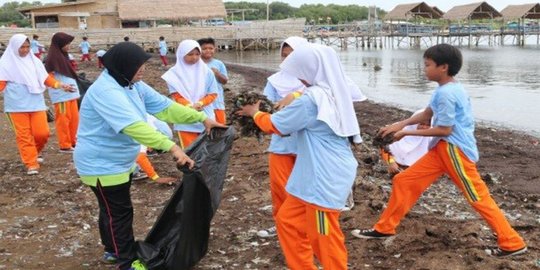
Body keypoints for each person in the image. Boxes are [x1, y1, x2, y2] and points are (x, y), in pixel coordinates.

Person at [352, 44, 527, 257]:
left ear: (443, 67)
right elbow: (426, 115)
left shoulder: (447, 94)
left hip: (455, 151)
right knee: (404, 181)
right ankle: (384, 228)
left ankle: (512, 242)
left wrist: (406, 133)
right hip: (441, 151)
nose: (424, 69)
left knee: (478, 196)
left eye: (427, 65)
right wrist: (400, 125)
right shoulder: (445, 89)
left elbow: (445, 129)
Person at [73, 42, 225, 270]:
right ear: (123, 65)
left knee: (112, 210)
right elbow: (135, 127)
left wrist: (201, 118)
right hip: (101, 164)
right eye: (138, 65)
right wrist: (173, 148)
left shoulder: (131, 84)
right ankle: (125, 261)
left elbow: (164, 107)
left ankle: (112, 250)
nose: (142, 69)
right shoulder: (107, 91)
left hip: (117, 160)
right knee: (119, 213)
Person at [237, 44, 362, 269]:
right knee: (287, 222)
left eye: (301, 73)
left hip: (325, 175)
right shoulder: (334, 89)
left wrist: (254, 112)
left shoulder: (311, 99)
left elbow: (276, 125)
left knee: (324, 236)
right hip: (314, 171)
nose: (300, 79)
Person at [0, 34, 74, 175]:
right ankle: (31, 163)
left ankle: (34, 152)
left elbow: (45, 78)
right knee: (24, 135)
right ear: (14, 47)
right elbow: (1, 83)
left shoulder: (35, 61)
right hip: (16, 107)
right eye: (22, 47)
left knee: (42, 133)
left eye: (27, 47)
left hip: (36, 104)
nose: (25, 50)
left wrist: (60, 85)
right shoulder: (4, 64)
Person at [256, 36, 307, 238]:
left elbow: (326, 97)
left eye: (292, 55)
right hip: (281, 141)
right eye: (284, 56)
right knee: (280, 186)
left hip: (307, 143)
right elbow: (265, 104)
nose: (287, 60)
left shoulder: (317, 80)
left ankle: (302, 225)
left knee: (305, 187)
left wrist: (294, 96)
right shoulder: (275, 80)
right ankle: (281, 225)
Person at [162, 39, 218, 149]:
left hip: (206, 116)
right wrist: (189, 106)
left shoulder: (207, 72)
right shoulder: (173, 74)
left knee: (208, 150)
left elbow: (213, 94)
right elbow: (176, 95)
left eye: (197, 54)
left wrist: (200, 103)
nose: (194, 57)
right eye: (190, 54)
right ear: (182, 54)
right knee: (190, 151)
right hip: (185, 118)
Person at [44, 32, 81, 153]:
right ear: (60, 44)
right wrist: (60, 86)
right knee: (64, 120)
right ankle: (65, 144)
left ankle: (73, 141)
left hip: (71, 93)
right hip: (61, 95)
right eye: (67, 43)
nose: (68, 46)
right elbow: (48, 77)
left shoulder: (64, 56)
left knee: (74, 119)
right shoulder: (52, 58)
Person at [379, 110, 432, 175]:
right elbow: (383, 148)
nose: (424, 127)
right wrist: (391, 162)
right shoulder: (398, 129)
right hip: (391, 163)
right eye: (422, 124)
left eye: (428, 125)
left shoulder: (430, 138)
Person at [133, 114, 177, 184]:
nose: (150, 150)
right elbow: (140, 157)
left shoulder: (152, 123)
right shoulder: (144, 132)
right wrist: (156, 178)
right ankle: (133, 172)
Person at [198, 37, 228, 124]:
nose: (208, 51)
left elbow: (225, 81)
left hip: (217, 101)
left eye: (210, 48)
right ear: (199, 50)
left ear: (214, 49)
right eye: (204, 49)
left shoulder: (219, 64)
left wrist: (217, 74)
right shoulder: (196, 64)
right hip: (202, 102)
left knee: (220, 125)